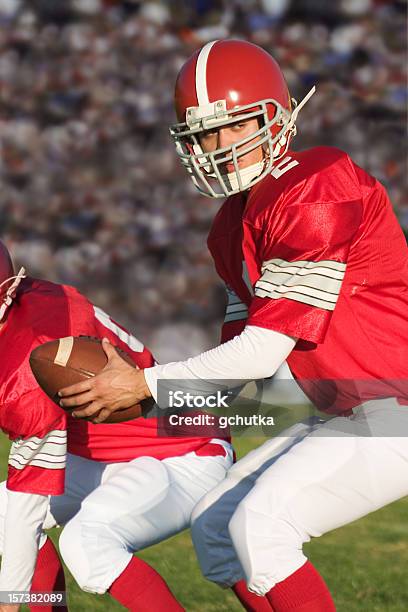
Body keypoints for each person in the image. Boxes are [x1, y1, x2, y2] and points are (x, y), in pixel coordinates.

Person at [59, 39, 408, 611]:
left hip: (395, 406)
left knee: (263, 525)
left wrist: (145, 384)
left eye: (233, 125)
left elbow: (261, 354)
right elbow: (242, 376)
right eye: (201, 134)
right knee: (216, 528)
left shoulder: (315, 185)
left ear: (277, 117)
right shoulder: (231, 227)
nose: (216, 146)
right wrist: (147, 405)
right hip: (351, 408)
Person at [0, 239, 233, 612]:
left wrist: (8, 602)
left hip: (183, 452)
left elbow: (29, 502)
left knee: (87, 542)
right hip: (102, 455)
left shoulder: (28, 362)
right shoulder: (34, 297)